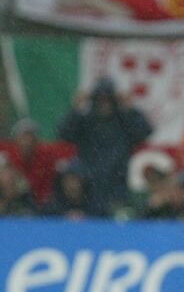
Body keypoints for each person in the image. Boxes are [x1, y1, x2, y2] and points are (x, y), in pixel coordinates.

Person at [58, 77, 153, 216]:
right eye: (100, 100)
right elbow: (63, 133)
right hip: (88, 188)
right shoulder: (85, 122)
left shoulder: (123, 121)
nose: (104, 104)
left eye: (108, 100)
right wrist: (75, 109)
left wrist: (131, 109)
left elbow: (145, 131)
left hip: (117, 186)